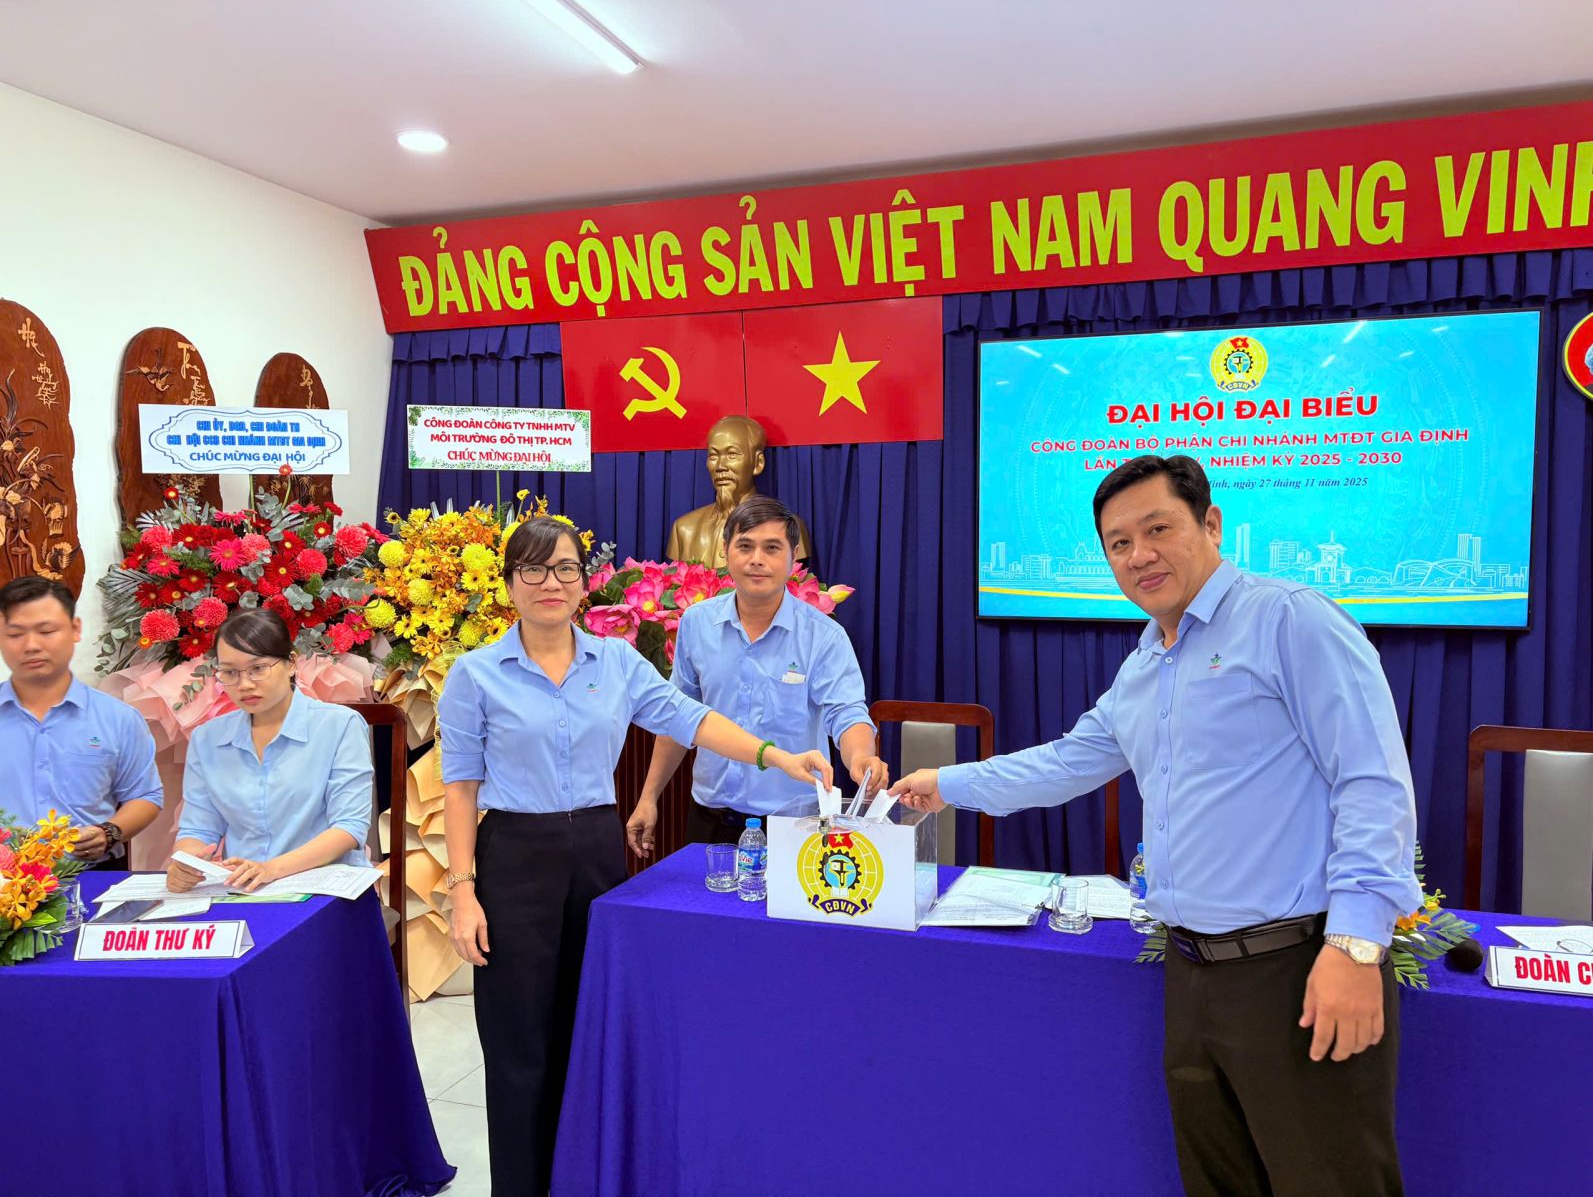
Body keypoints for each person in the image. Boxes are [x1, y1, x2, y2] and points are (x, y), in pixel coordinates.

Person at [891, 454, 1419, 1197]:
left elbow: (1372, 779)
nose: (1138, 554)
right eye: (1118, 543)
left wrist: (1356, 948)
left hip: (1296, 969)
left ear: (1210, 524)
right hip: (1190, 970)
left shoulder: (1289, 619)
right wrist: (946, 784)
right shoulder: (1146, 665)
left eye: (1158, 529)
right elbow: (1068, 761)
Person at [438, 515, 833, 1197]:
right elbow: (460, 787)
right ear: (509, 584)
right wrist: (463, 889)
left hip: (596, 852)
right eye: (533, 570)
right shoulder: (475, 675)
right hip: (513, 857)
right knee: (517, 1044)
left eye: (565, 568)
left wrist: (775, 755)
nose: (551, 583)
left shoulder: (616, 662)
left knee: (591, 1031)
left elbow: (692, 719)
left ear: (583, 582)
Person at [631, 495, 886, 855]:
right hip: (710, 819)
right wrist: (649, 796)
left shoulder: (823, 636)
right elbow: (679, 717)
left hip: (795, 825)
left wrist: (860, 757)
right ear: (725, 551)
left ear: (793, 556)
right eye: (745, 546)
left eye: (772, 548)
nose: (757, 559)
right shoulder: (697, 623)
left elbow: (846, 712)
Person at [167, 607, 372, 894]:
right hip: (243, 888)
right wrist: (185, 863)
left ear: (291, 664)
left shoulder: (339, 726)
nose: (245, 684)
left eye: (258, 669)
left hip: (325, 889)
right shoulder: (208, 739)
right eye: (230, 673)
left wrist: (271, 869)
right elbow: (198, 829)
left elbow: (349, 827)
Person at [0, 575, 163, 867]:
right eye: (15, 634)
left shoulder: (118, 719)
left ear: (75, 629)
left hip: (91, 876)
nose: (31, 645)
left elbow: (145, 796)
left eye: (46, 631)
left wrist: (109, 832)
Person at [665, 414, 812, 566]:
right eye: (713, 456)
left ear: (758, 463)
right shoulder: (684, 529)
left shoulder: (787, 527)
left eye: (732, 455)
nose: (720, 466)